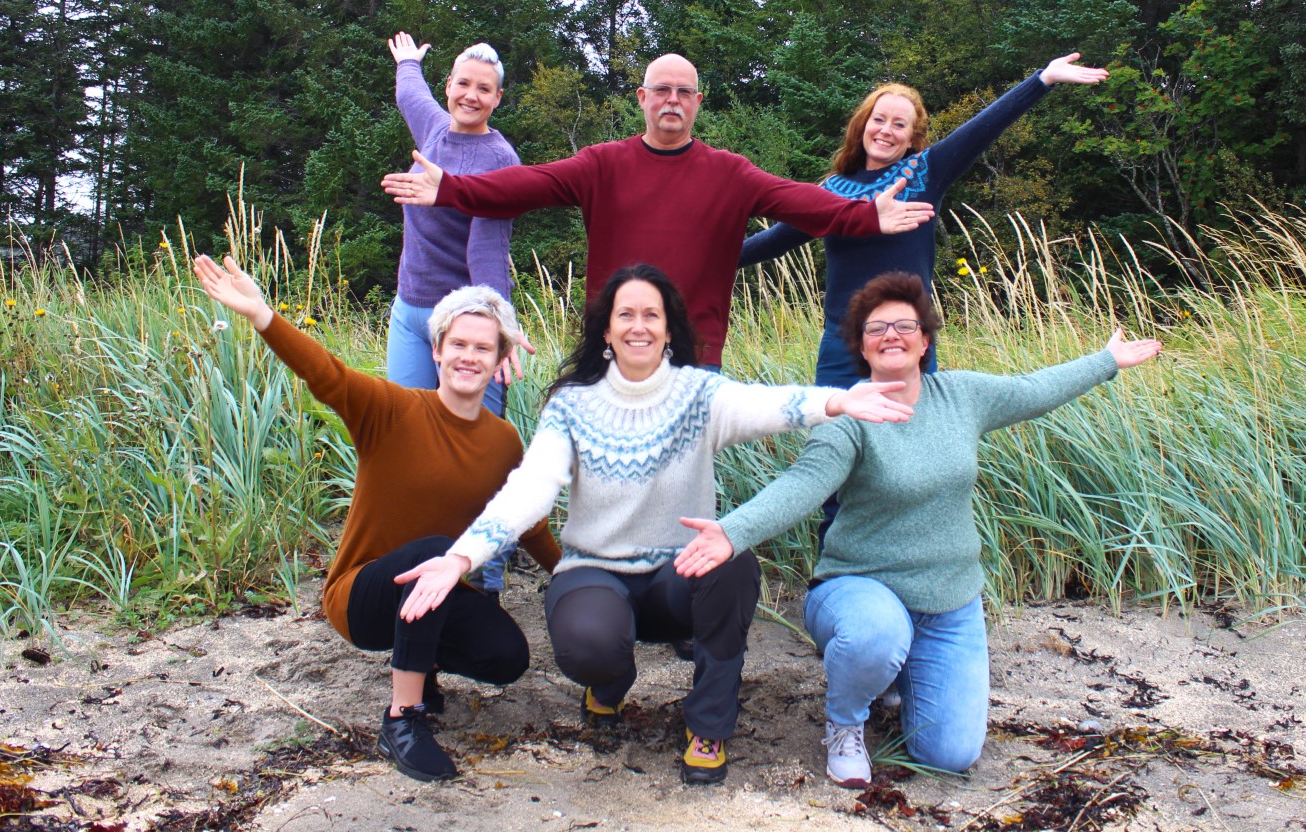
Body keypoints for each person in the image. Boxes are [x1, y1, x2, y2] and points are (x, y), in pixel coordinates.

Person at [389, 265, 915, 786]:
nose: (638, 326)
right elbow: (531, 486)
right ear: (606, 330)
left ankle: (708, 727)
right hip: (594, 572)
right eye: (625, 315)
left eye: (651, 315)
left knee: (733, 564)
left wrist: (837, 400)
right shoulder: (572, 404)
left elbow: (769, 403)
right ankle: (609, 681)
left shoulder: (699, 395)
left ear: (668, 330)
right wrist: (461, 557)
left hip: (679, 576)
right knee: (591, 646)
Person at [673, 272, 1160, 787]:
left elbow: (1032, 390)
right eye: (876, 328)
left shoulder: (962, 396)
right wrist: (733, 532)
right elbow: (803, 485)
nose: (891, 335)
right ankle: (845, 723)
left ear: (925, 340)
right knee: (875, 636)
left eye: (905, 326)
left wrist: (1106, 361)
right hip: (860, 591)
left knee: (949, 753)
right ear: (861, 345)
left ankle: (901, 671)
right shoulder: (849, 417)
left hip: (948, 603)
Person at [192, 255, 561, 784]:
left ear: (501, 358)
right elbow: (326, 373)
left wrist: (571, 576)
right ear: (437, 350)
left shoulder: (503, 440)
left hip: (436, 589)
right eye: (458, 344)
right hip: (360, 595)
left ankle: (423, 662)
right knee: (433, 551)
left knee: (506, 657)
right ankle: (402, 718)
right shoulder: (390, 409)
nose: (468, 356)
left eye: (483, 348)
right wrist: (262, 315)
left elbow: (527, 523)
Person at [738, 55, 1109, 541]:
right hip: (842, 346)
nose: (886, 131)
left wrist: (1042, 80)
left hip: (907, 343)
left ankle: (913, 557)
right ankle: (839, 563)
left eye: (900, 124)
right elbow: (772, 242)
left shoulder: (923, 172)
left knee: (910, 454)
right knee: (834, 454)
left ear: (913, 137)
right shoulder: (832, 190)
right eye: (879, 119)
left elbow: (982, 129)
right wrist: (695, 261)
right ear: (862, 126)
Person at [379, 53, 937, 369]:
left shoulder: (730, 173)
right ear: (642, 98)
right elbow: (526, 184)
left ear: (697, 103)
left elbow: (801, 201)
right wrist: (451, 188)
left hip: (694, 358)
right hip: (612, 352)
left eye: (683, 92)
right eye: (661, 90)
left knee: (684, 495)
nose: (672, 99)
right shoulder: (602, 164)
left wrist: (867, 215)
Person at [385, 32, 532, 599]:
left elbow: (486, 251)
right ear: (449, 86)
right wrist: (408, 62)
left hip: (467, 325)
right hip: (409, 313)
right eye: (463, 84)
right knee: (407, 437)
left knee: (480, 452)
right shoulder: (433, 130)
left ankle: (485, 583)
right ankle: (416, 560)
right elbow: (410, 95)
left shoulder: (500, 161)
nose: (471, 95)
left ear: (498, 98)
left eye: (484, 89)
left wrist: (496, 325)